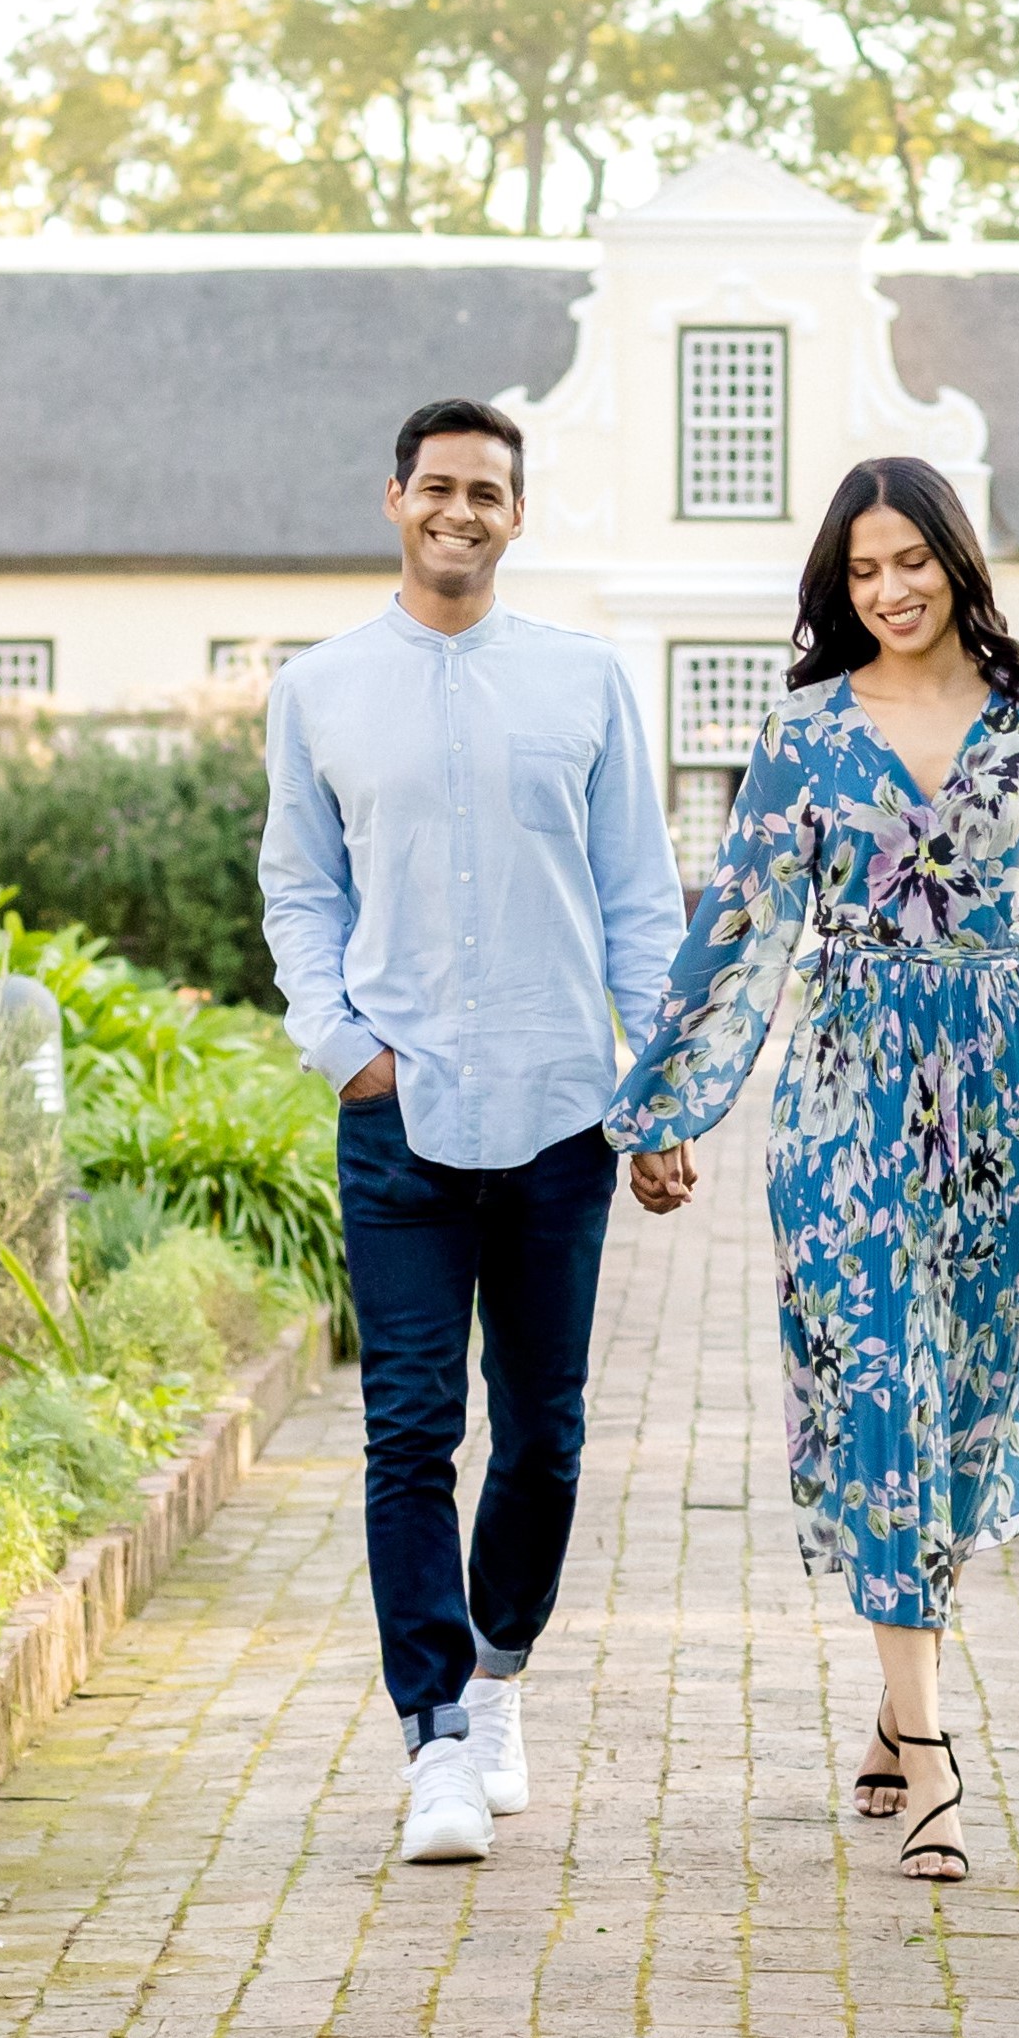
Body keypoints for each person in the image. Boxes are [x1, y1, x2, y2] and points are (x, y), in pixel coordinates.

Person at [608, 456, 1019, 1886]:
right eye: (862, 571)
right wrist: (669, 1106)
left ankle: (897, 1709)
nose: (891, 590)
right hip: (849, 1110)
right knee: (883, 1393)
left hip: (1010, 1103)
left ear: (956, 561)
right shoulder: (805, 733)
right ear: (839, 588)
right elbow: (739, 926)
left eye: (911, 561)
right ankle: (937, 1752)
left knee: (960, 1417)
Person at [261, 395, 690, 1866]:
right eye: (436, 486)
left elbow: (642, 903)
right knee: (408, 1431)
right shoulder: (319, 688)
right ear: (395, 499)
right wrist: (344, 1049)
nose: (459, 510)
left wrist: (664, 1090)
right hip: (400, 1116)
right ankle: (434, 1735)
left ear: (518, 515)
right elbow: (299, 888)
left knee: (546, 1434)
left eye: (486, 492)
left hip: (563, 1110)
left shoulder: (585, 682)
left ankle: (499, 1671)